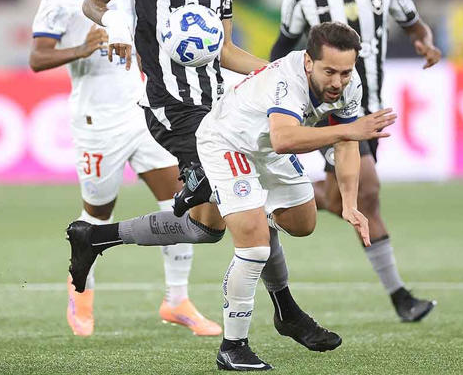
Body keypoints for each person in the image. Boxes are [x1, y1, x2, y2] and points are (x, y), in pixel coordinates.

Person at [77, 0, 340, 357]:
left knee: (212, 225)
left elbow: (226, 50)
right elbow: (95, 2)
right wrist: (113, 29)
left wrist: (282, 73)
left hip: (221, 105)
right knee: (246, 215)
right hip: (172, 108)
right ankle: (282, 314)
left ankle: (96, 237)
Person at [67, 22, 397, 370]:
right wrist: (349, 130)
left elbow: (346, 144)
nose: (338, 82)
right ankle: (233, 347)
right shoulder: (287, 80)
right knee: (253, 245)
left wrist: (349, 203)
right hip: (227, 142)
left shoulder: (350, 84)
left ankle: (96, 237)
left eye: (345, 73)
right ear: (308, 61)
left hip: (266, 147)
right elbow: (288, 138)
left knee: (299, 224)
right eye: (329, 72)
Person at [29, 0, 219, 337]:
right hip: (97, 123)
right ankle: (81, 293)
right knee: (97, 214)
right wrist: (80, 49)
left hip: (143, 113)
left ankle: (177, 300)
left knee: (178, 204)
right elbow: (37, 58)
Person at [270, 0, 440, 323]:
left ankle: (270, 198)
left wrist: (426, 44)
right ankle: (400, 296)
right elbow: (280, 53)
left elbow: (415, 26)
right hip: (329, 112)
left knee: (339, 198)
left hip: (371, 110)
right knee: (369, 191)